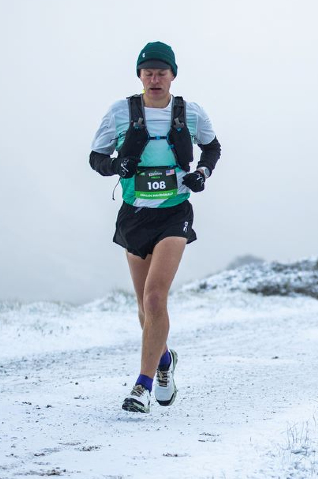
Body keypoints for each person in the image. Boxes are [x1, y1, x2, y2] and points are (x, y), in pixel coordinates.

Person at [88, 41, 221, 413]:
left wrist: (202, 174)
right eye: (148, 72)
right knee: (144, 309)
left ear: (173, 75)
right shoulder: (120, 112)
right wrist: (117, 167)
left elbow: (212, 149)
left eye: (162, 72)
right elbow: (96, 158)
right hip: (134, 214)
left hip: (174, 212)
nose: (155, 78)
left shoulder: (190, 113)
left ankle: (143, 386)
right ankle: (164, 362)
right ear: (140, 76)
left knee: (154, 297)